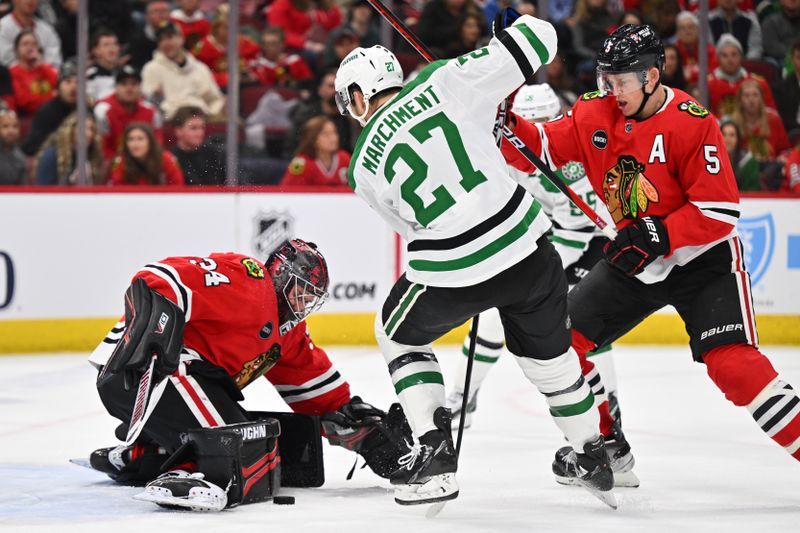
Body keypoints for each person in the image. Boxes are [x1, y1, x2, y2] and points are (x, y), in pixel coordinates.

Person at [504, 23, 800, 488]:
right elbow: (540, 148)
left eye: (620, 80)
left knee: (732, 366)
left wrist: (660, 232)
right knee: (561, 340)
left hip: (703, 261)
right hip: (635, 263)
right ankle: (607, 447)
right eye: (606, 78)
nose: (610, 89)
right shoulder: (592, 114)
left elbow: (719, 210)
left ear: (651, 76)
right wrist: (506, 126)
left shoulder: (692, 120)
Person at [336, 15, 615, 507]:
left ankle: (435, 451)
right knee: (551, 362)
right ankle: (592, 453)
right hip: (529, 247)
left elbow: (409, 227)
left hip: (451, 267)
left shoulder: (360, 165)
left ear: (360, 95)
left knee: (395, 332)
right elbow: (541, 38)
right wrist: (505, 33)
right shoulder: (444, 77)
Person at [86, 240, 413, 511]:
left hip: (178, 389)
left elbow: (319, 392)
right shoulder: (248, 280)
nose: (304, 303)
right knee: (235, 457)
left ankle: (144, 454)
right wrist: (154, 329)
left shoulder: (288, 335)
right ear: (281, 275)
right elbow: (162, 276)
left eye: (311, 298)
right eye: (301, 291)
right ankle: (194, 470)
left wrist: (364, 432)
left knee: (262, 446)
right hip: (142, 369)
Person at [446, 85, 627, 477]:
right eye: (533, 123)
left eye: (547, 120)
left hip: (595, 243)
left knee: (585, 332)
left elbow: (579, 226)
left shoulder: (566, 153)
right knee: (501, 319)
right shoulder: (519, 146)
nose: (540, 128)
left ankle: (610, 428)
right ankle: (462, 398)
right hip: (556, 240)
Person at [141, 22, 225, 121]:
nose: (165, 43)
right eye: (161, 40)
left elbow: (215, 99)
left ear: (181, 38)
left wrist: (210, 115)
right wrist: (155, 97)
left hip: (201, 120)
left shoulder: (200, 68)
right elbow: (147, 104)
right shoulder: (151, 69)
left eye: (169, 37)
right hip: (170, 123)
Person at [94, 65, 163, 161]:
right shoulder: (103, 110)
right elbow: (102, 148)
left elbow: (157, 144)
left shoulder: (151, 111)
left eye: (134, 84)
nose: (129, 88)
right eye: (124, 83)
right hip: (113, 163)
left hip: (145, 161)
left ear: (140, 87)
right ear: (116, 87)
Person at [192, 3, 260, 88]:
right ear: (216, 28)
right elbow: (198, 76)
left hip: (245, 89)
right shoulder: (202, 48)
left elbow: (259, 70)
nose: (231, 31)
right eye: (226, 27)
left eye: (234, 26)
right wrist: (226, 79)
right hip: (215, 90)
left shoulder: (248, 45)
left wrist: (251, 76)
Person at [708, 34, 775, 119]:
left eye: (734, 54)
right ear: (718, 58)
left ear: (741, 56)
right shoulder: (708, 84)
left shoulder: (759, 82)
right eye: (724, 55)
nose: (730, 60)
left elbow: (771, 114)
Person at [21, 57, 76, 155]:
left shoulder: (86, 109)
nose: (73, 87)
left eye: (78, 82)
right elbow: (32, 147)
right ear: (59, 86)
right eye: (68, 81)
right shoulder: (47, 111)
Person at [33, 112, 104, 185]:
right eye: (83, 128)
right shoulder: (51, 156)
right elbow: (44, 192)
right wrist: (71, 181)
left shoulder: (91, 155)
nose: (89, 133)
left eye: (91, 129)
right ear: (70, 130)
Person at [730, 77, 790, 160]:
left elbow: (785, 150)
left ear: (761, 98)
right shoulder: (733, 123)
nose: (751, 100)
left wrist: (782, 157)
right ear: (740, 100)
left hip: (771, 167)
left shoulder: (773, 119)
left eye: (755, 95)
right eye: (746, 96)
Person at [108, 122, 185, 186]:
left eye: (140, 138)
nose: (135, 144)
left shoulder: (167, 159)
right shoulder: (120, 161)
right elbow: (117, 190)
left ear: (150, 142)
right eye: (130, 139)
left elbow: (177, 187)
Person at [282, 115, 350, 186]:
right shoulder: (300, 163)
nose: (333, 138)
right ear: (312, 138)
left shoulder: (344, 158)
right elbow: (289, 191)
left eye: (334, 132)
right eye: (326, 134)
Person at [169, 105, 225, 186]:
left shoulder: (215, 155)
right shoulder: (170, 158)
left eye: (202, 128)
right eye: (194, 128)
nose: (200, 133)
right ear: (178, 131)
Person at [7, 29, 57, 117]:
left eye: (34, 44)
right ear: (16, 49)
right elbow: (24, 102)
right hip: (28, 118)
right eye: (25, 44)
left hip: (52, 115)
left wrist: (42, 65)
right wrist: (51, 97)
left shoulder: (45, 68)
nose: (30, 47)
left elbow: (59, 86)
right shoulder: (12, 73)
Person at [0, 0, 61, 67]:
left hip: (45, 76)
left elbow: (55, 64)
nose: (30, 1)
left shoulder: (48, 31)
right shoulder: (3, 27)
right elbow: (6, 62)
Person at [249, 27, 313, 88]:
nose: (268, 47)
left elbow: (308, 83)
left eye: (273, 44)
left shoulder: (295, 61)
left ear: (283, 44)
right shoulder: (257, 64)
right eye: (265, 44)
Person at [128, 1, 171, 72]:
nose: (161, 15)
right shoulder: (137, 39)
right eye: (156, 11)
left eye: (164, 11)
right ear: (147, 16)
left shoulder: (177, 35)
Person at [721, 118, 760, 191]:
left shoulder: (748, 161)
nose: (727, 139)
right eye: (723, 134)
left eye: (732, 135)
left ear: (738, 139)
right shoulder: (710, 160)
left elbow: (752, 192)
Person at [86, 28, 122, 102]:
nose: (112, 48)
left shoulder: (124, 73)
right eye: (106, 45)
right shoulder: (90, 76)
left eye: (115, 44)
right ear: (95, 50)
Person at [0, 107, 25, 184]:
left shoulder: (21, 157)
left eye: (15, 126)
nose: (11, 131)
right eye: (5, 126)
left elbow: (23, 189)